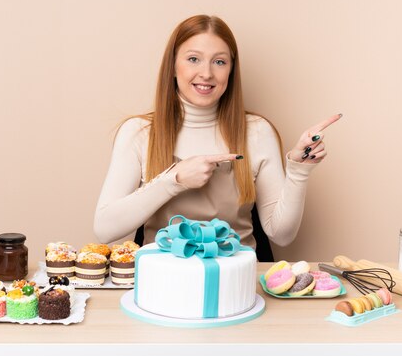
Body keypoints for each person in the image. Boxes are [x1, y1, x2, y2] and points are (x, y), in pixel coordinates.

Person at [94, 15, 341, 250]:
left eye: (219, 61)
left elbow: (282, 235)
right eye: (193, 59)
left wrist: (298, 170)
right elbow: (104, 229)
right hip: (162, 286)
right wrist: (173, 181)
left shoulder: (257, 131)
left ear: (231, 71)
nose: (207, 73)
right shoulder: (138, 133)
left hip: (236, 287)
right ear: (172, 66)